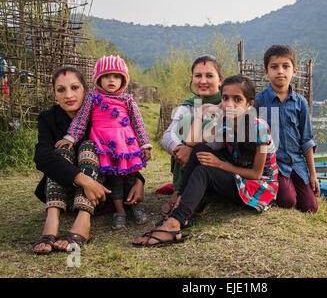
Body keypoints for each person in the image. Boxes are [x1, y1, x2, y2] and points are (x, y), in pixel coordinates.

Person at [132, 75, 278, 247]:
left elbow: (256, 174)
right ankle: (180, 201)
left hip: (259, 186)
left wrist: (220, 164)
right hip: (237, 176)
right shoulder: (226, 122)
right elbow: (192, 142)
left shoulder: (259, 128)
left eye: (237, 99)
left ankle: (174, 222)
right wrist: (202, 114)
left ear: (250, 104)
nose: (229, 104)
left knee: (205, 170)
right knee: (200, 150)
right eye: (225, 98)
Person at [32, 66, 146, 254]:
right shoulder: (48, 117)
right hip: (61, 194)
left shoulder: (100, 114)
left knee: (90, 147)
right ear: (55, 94)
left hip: (99, 192)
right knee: (59, 151)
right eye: (61, 90)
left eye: (75, 88)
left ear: (86, 90)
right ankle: (51, 223)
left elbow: (120, 151)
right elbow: (42, 157)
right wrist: (83, 180)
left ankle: (83, 222)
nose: (69, 95)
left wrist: (139, 180)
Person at [56, 55, 152, 230]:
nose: (111, 80)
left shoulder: (127, 100)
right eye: (107, 76)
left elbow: (138, 124)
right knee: (114, 179)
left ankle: (135, 206)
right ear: (98, 79)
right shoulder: (92, 98)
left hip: (126, 144)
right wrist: (70, 137)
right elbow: (81, 120)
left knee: (129, 177)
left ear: (123, 79)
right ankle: (120, 210)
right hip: (105, 145)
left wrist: (145, 145)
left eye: (116, 76)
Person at [255, 44, 320, 213]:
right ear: (266, 72)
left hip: (297, 163)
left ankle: (299, 184)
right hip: (273, 164)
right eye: (274, 67)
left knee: (310, 207)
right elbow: (251, 137)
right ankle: (276, 189)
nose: (280, 71)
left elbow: (307, 140)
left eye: (286, 66)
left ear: (295, 71)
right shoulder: (259, 101)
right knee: (287, 201)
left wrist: (313, 174)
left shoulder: (300, 103)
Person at [160, 55, 223, 215]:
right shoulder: (187, 106)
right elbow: (168, 136)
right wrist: (181, 148)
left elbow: (222, 139)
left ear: (220, 79)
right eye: (198, 76)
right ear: (192, 78)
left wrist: (192, 150)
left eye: (209, 76)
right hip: (188, 160)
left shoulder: (227, 103)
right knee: (187, 120)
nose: (203, 81)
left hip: (217, 161)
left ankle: (187, 194)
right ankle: (180, 191)